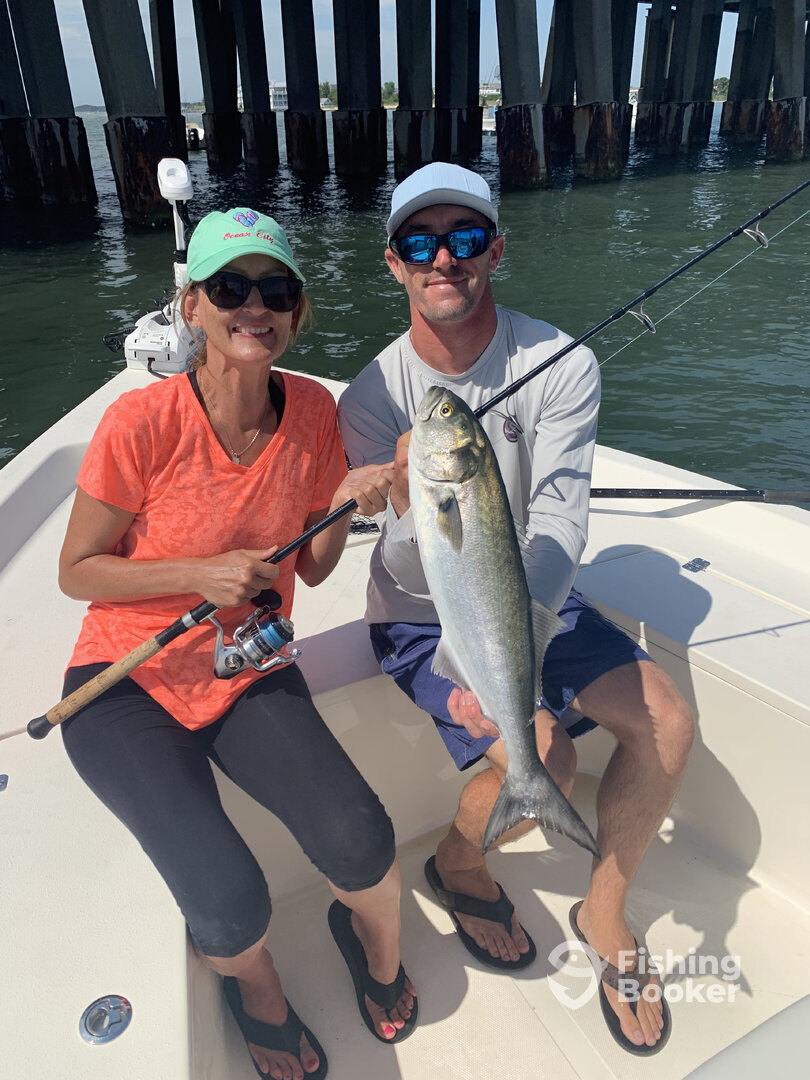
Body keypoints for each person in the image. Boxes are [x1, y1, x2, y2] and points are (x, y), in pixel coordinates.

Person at [338, 163, 694, 1056]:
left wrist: (515, 646)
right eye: (420, 242)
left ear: (496, 249)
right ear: (394, 263)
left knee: (667, 721)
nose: (444, 258)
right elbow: (403, 566)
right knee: (547, 754)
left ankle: (603, 911)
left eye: (465, 238)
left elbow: (561, 521)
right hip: (420, 615)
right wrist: (404, 502)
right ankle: (459, 864)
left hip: (530, 587)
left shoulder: (560, 362)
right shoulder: (370, 398)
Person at [58, 208, 417, 1080]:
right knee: (227, 903)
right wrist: (198, 572)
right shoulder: (140, 422)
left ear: (297, 311)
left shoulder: (315, 412)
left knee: (362, 837)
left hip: (248, 666)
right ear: (192, 306)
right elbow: (77, 571)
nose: (255, 306)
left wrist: (349, 504)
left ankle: (377, 947)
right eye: (230, 288)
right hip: (126, 680)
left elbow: (316, 569)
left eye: (277, 290)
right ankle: (259, 992)